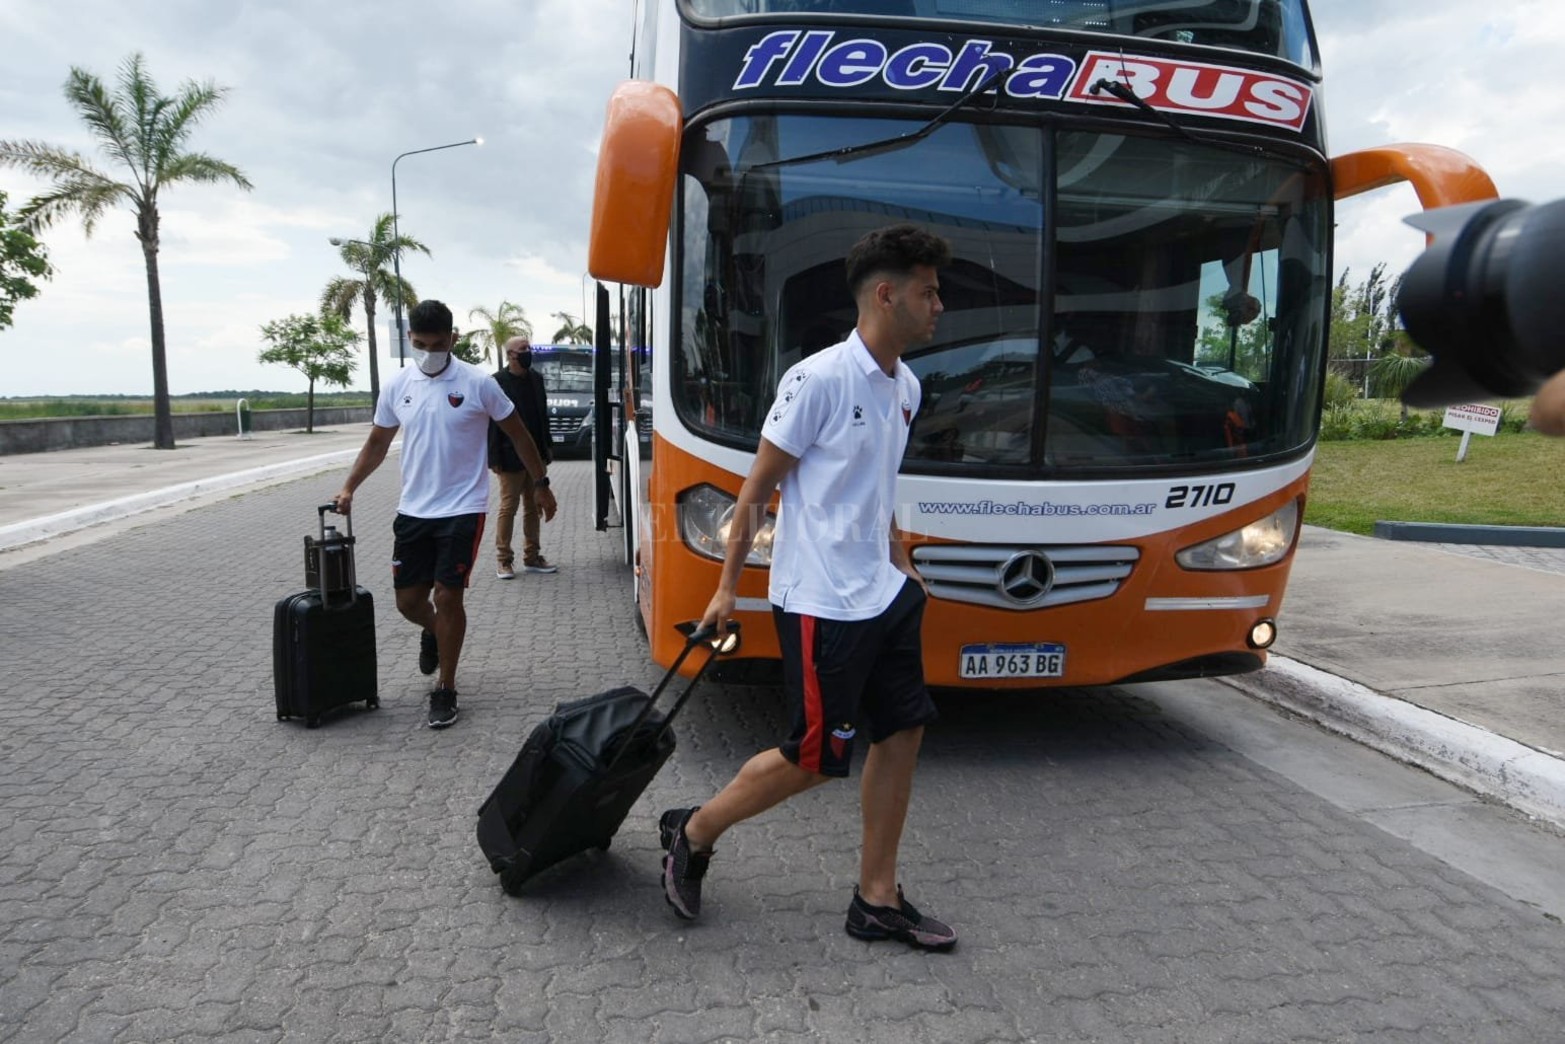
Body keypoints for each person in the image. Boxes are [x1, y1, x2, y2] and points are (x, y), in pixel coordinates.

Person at [658, 223, 957, 951]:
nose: (939, 305)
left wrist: (899, 559)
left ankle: (875, 897)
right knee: (815, 757)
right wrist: (728, 588)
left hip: (882, 592)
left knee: (903, 729)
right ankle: (692, 832)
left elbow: (873, 485)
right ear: (885, 295)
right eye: (928, 292)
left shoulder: (905, 386)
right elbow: (757, 488)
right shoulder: (818, 380)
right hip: (821, 598)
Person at [333, 300, 557, 729]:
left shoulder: (477, 383)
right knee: (408, 601)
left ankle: (446, 687)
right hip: (414, 509)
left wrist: (542, 484)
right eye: (419, 344)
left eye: (437, 344)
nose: (428, 351)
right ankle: (435, 632)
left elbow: (519, 434)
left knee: (448, 595)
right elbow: (377, 444)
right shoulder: (398, 385)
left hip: (463, 508)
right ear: (409, 341)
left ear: (453, 339)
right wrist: (348, 487)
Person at [489, 336, 557, 578]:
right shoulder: (496, 382)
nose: (528, 352)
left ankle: (532, 556)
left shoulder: (536, 380)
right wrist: (493, 457)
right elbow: (491, 424)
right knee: (509, 506)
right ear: (510, 355)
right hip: (508, 457)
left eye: (529, 348)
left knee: (533, 507)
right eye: (523, 349)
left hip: (535, 456)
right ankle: (503, 560)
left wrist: (546, 448)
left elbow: (542, 417)